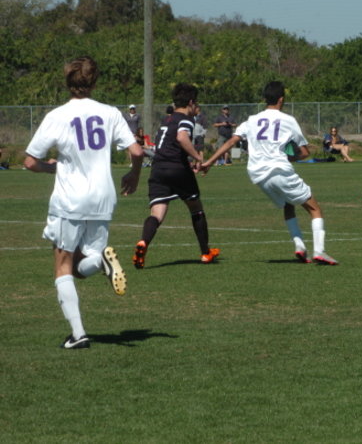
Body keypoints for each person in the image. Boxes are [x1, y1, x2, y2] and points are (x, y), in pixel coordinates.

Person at [23, 56, 144, 349]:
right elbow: (137, 151)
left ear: (68, 82)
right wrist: (134, 175)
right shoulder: (110, 113)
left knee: (63, 264)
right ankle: (101, 261)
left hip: (71, 198)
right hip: (103, 197)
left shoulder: (58, 115)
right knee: (81, 265)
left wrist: (52, 168)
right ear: (94, 81)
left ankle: (78, 335)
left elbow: (29, 161)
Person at [201, 81, 338, 265]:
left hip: (258, 175)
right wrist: (289, 157)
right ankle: (320, 251)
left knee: (288, 204)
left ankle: (299, 246)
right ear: (281, 99)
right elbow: (305, 152)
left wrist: (209, 162)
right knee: (315, 209)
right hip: (279, 170)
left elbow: (231, 142)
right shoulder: (288, 120)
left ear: (265, 99)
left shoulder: (251, 120)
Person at [132, 82, 219, 269]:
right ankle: (206, 252)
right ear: (191, 103)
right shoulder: (185, 119)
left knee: (157, 213)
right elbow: (181, 137)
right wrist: (198, 157)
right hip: (177, 169)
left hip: (158, 168)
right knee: (196, 207)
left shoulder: (167, 120)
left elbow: (167, 145)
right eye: (196, 103)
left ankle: (143, 242)